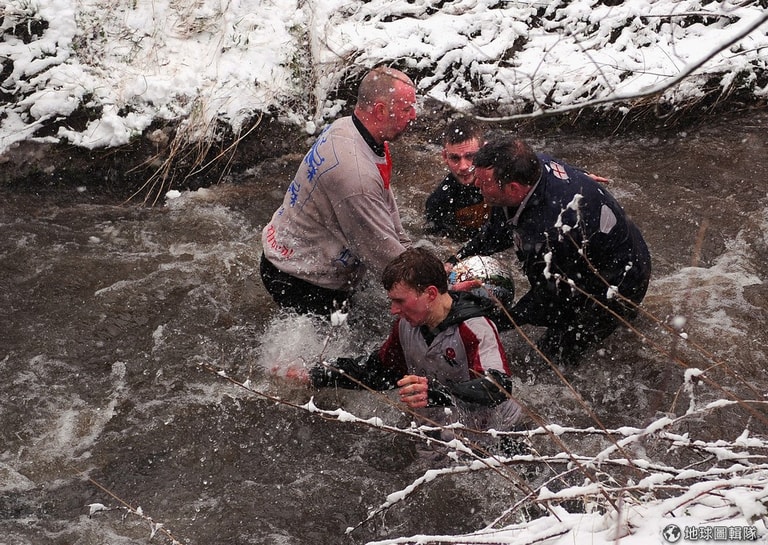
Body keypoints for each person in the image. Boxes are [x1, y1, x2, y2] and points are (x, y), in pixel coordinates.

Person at [449, 137, 651, 369]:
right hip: (599, 246)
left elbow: (547, 301)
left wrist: (493, 322)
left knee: (549, 359)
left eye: (484, 183)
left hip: (621, 279)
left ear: (513, 188)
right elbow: (497, 232)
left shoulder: (553, 230)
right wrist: (454, 261)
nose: (476, 184)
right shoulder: (530, 165)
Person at [298, 247, 526, 450]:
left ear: (430, 294)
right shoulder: (405, 326)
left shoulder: (476, 327)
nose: (393, 310)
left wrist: (437, 393)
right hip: (441, 433)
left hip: (498, 435)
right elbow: (380, 372)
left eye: (400, 301)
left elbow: (498, 387)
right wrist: (318, 374)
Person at [260, 66, 418, 316]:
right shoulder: (356, 176)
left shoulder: (349, 128)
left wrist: (410, 252)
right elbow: (385, 258)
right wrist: (435, 286)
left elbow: (385, 205)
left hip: (288, 251)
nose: (414, 115)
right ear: (380, 110)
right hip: (301, 279)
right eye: (406, 109)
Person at [424, 117, 488, 239]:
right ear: (445, 157)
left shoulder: (503, 181)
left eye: (470, 156)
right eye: (455, 158)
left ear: (485, 151)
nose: (463, 166)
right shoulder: (438, 202)